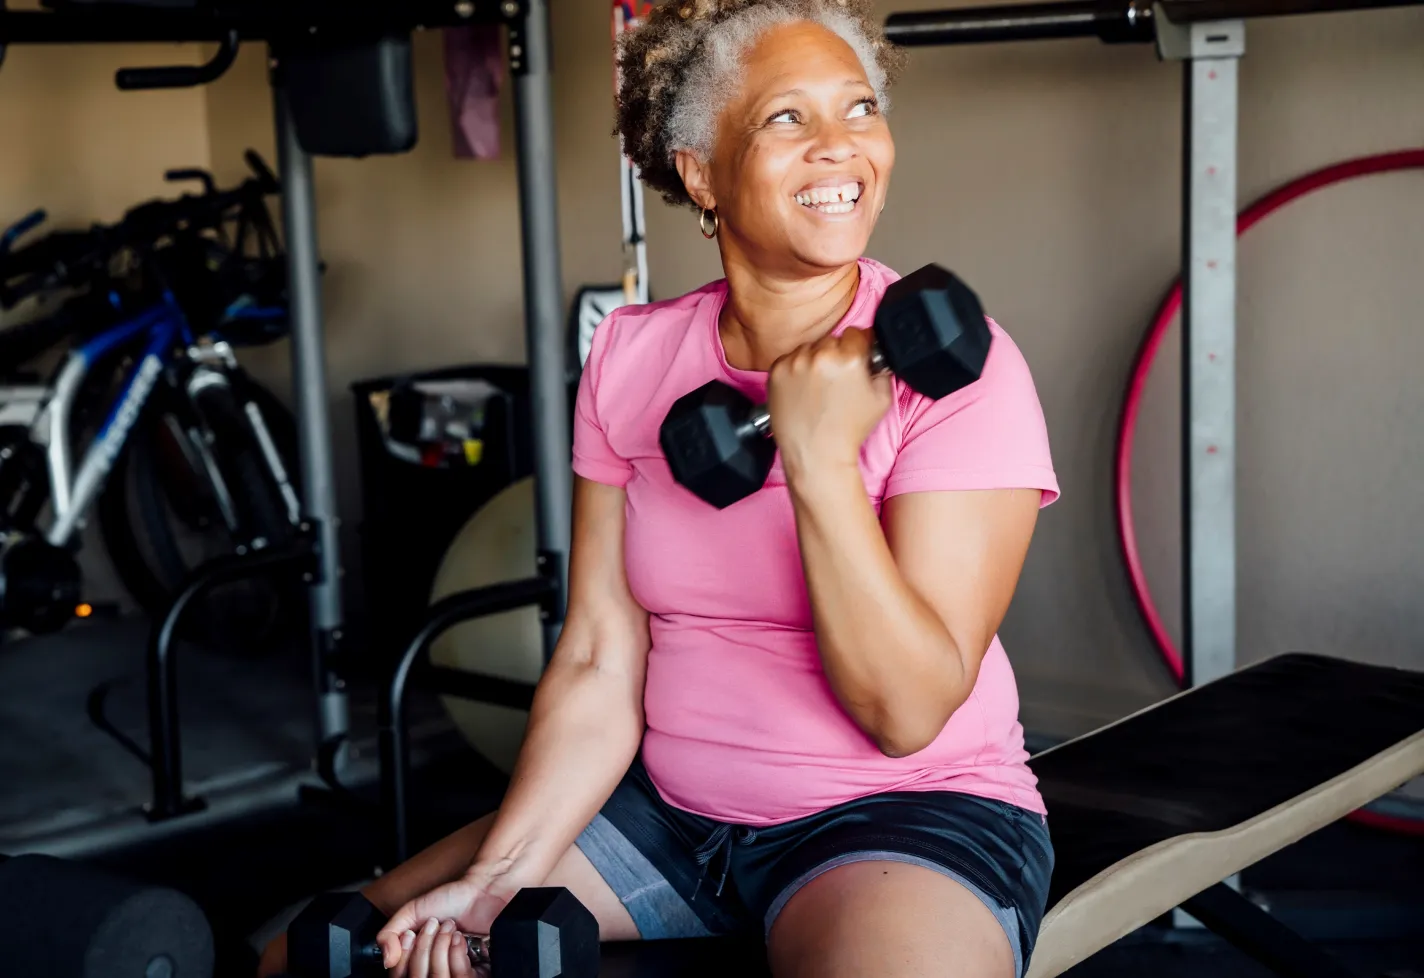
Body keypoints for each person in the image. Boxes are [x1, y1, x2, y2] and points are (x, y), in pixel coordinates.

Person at [259, 0, 1057, 975]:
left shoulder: (955, 365)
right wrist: (499, 875)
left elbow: (905, 711)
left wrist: (816, 463)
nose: (839, 148)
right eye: (785, 119)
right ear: (699, 172)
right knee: (316, 955)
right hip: (668, 816)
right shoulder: (632, 361)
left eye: (857, 109)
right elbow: (597, 654)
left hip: (904, 816)